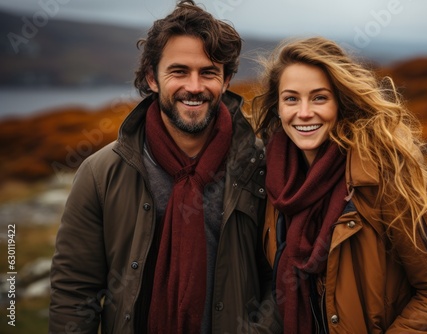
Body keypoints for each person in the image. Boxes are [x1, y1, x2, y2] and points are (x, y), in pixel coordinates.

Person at [49, 1, 282, 333]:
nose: (194, 86)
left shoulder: (261, 168)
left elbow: (283, 275)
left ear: (227, 80)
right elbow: (75, 292)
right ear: (152, 78)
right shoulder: (100, 173)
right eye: (179, 71)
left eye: (209, 72)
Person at [252, 36, 427, 334]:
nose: (303, 112)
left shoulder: (385, 173)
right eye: (291, 98)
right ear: (277, 106)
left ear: (342, 101)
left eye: (319, 98)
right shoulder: (273, 178)